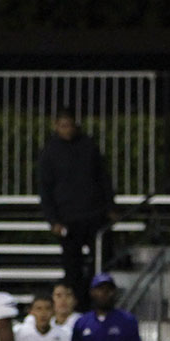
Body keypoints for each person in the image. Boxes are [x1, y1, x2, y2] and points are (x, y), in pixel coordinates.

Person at [38, 107, 117, 309]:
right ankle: (79, 305)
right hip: (67, 218)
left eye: (70, 125)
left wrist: (109, 207)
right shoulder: (50, 151)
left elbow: (103, 178)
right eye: (63, 125)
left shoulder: (88, 146)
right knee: (72, 267)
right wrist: (53, 220)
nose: (67, 129)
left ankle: (96, 300)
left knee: (101, 261)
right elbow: (45, 188)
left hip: (94, 214)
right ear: (56, 126)